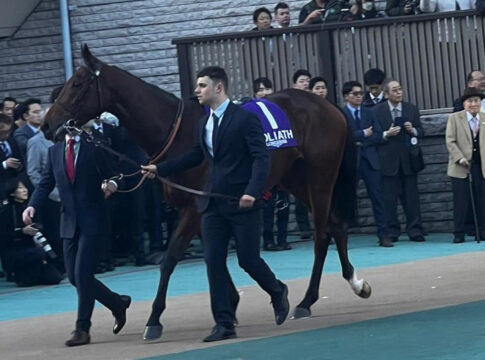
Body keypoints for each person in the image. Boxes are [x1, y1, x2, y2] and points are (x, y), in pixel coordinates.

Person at [141, 66, 289, 342]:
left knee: (248, 260)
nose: (197, 91)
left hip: (242, 202)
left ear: (218, 88)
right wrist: (159, 169)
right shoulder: (203, 123)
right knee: (214, 262)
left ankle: (277, 290)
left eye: (202, 85)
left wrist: (252, 191)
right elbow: (196, 155)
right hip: (211, 203)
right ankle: (224, 323)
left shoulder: (244, 119)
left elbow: (261, 158)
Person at [22, 127, 131, 347]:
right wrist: (32, 205)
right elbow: (45, 183)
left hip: (94, 220)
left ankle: (82, 329)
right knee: (74, 277)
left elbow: (118, 175)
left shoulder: (95, 148)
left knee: (82, 275)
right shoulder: (55, 151)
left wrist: (112, 184)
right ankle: (116, 302)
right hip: (68, 222)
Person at [373, 79, 426, 242]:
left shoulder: (411, 109)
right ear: (387, 94)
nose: (399, 93)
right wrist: (386, 134)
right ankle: (392, 231)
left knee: (412, 198)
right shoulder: (377, 111)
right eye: (394, 90)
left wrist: (413, 130)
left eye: (400, 89)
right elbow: (373, 136)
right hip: (387, 160)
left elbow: (421, 130)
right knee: (389, 199)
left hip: (408, 159)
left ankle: (415, 230)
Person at [342, 81, 393, 247]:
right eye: (355, 94)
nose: (359, 97)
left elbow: (378, 135)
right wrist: (363, 133)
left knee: (378, 198)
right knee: (346, 199)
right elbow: (343, 137)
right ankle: (341, 235)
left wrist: (360, 141)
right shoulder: (342, 114)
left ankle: (384, 234)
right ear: (346, 96)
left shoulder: (369, 113)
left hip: (370, 160)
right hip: (350, 162)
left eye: (360, 94)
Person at [0, 178, 63, 287]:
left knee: (54, 277)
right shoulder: (6, 211)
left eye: (24, 187)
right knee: (37, 256)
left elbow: (40, 226)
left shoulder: (30, 208)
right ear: (12, 193)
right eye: (20, 188)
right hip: (14, 250)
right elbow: (4, 236)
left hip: (32, 246)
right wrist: (22, 231)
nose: (24, 190)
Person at [446, 87, 485, 243]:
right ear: (464, 104)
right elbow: (450, 140)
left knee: (481, 200)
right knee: (461, 200)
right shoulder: (455, 118)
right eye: (470, 101)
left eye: (476, 100)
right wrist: (460, 158)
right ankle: (459, 232)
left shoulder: (484, 118)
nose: (473, 104)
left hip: (480, 166)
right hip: (461, 166)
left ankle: (481, 230)